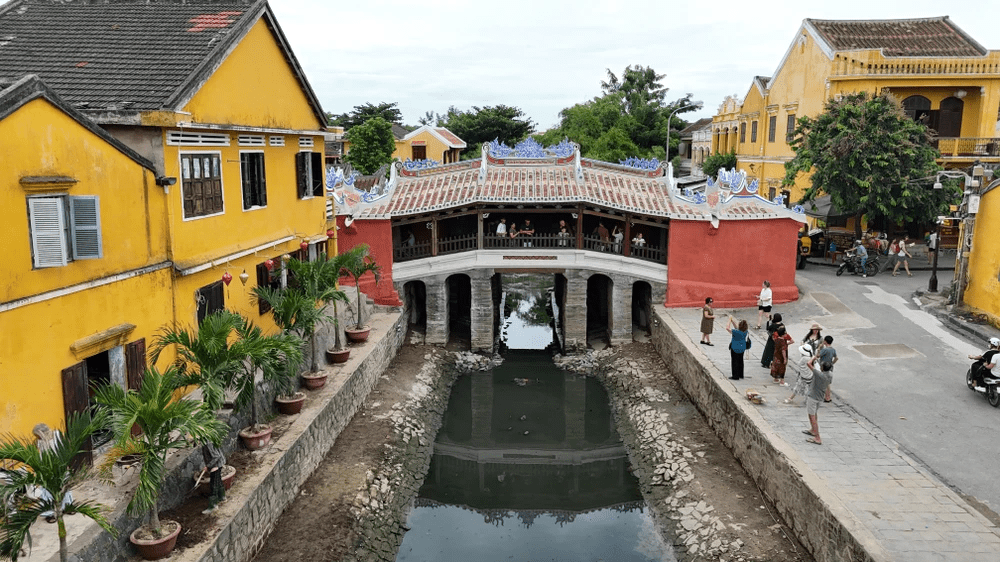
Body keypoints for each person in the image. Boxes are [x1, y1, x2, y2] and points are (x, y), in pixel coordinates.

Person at [32, 423, 72, 523]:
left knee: (65, 488)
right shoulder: (39, 442)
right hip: (47, 469)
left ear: (42, 432)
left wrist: (66, 464)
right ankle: (49, 513)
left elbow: (65, 449)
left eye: (37, 435)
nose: (37, 437)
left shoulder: (57, 435)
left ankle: (68, 507)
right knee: (47, 491)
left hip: (60, 466)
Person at [803, 358, 834, 445]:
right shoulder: (830, 375)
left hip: (813, 397)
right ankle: (813, 430)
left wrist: (814, 357)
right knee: (814, 414)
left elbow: (808, 364)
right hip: (820, 397)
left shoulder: (819, 374)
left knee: (812, 417)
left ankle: (817, 437)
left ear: (823, 368)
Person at [201, 441, 226, 514]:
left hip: (216, 465)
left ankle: (213, 506)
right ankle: (222, 497)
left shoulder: (208, 443)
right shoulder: (209, 437)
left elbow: (216, 456)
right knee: (218, 480)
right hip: (218, 464)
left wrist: (208, 466)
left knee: (213, 485)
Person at [725, 316, 750, 380]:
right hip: (742, 348)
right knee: (740, 361)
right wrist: (732, 321)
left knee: (734, 361)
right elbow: (737, 327)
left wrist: (729, 321)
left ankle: (735, 376)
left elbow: (727, 328)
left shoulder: (735, 332)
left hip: (735, 347)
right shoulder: (745, 331)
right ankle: (741, 374)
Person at [817, 335, 838, 402]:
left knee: (824, 382)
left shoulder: (825, 350)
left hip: (823, 367)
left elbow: (817, 355)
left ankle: (826, 397)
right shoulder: (833, 350)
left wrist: (819, 348)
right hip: (830, 367)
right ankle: (828, 396)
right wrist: (832, 363)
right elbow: (836, 358)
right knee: (828, 382)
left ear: (825, 342)